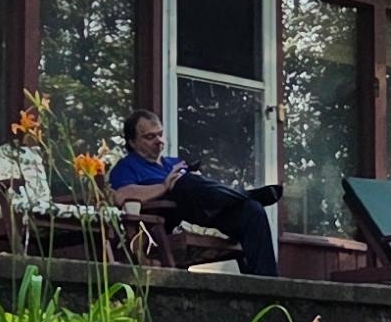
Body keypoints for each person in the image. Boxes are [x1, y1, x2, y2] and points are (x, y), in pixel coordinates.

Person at [104, 110, 280, 276]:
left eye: (160, 134)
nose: (159, 140)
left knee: (253, 210)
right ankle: (241, 195)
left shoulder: (173, 162)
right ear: (132, 142)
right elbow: (120, 196)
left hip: (204, 213)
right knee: (182, 182)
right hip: (170, 220)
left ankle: (269, 290)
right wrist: (164, 186)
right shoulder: (126, 167)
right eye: (150, 137)